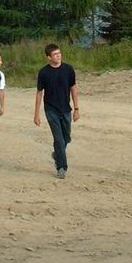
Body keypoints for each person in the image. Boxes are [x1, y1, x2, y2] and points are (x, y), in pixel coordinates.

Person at [34, 44, 80, 179]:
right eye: (55, 54)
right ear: (49, 57)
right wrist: (36, 114)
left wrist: (76, 109)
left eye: (59, 53)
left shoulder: (68, 69)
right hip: (51, 110)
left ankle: (57, 154)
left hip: (66, 109)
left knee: (67, 138)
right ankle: (61, 167)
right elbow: (39, 93)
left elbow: (73, 89)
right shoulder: (44, 72)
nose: (58, 56)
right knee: (59, 140)